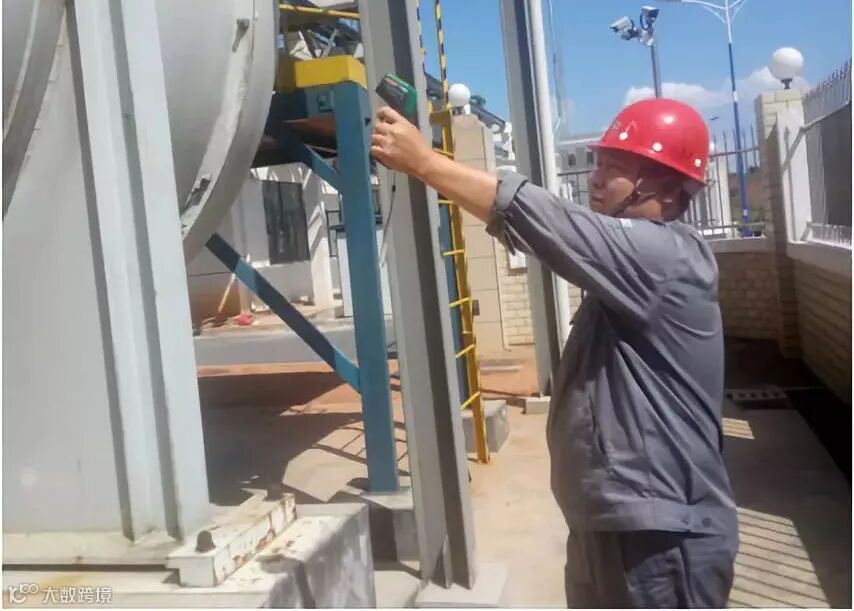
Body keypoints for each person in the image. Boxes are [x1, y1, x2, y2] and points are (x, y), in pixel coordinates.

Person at [370, 97, 739, 608]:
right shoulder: (634, 264)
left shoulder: (665, 258)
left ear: (666, 187)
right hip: (610, 525)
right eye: (598, 164)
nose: (596, 179)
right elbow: (534, 228)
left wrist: (425, 162)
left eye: (614, 168)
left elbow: (544, 218)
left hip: (661, 539)